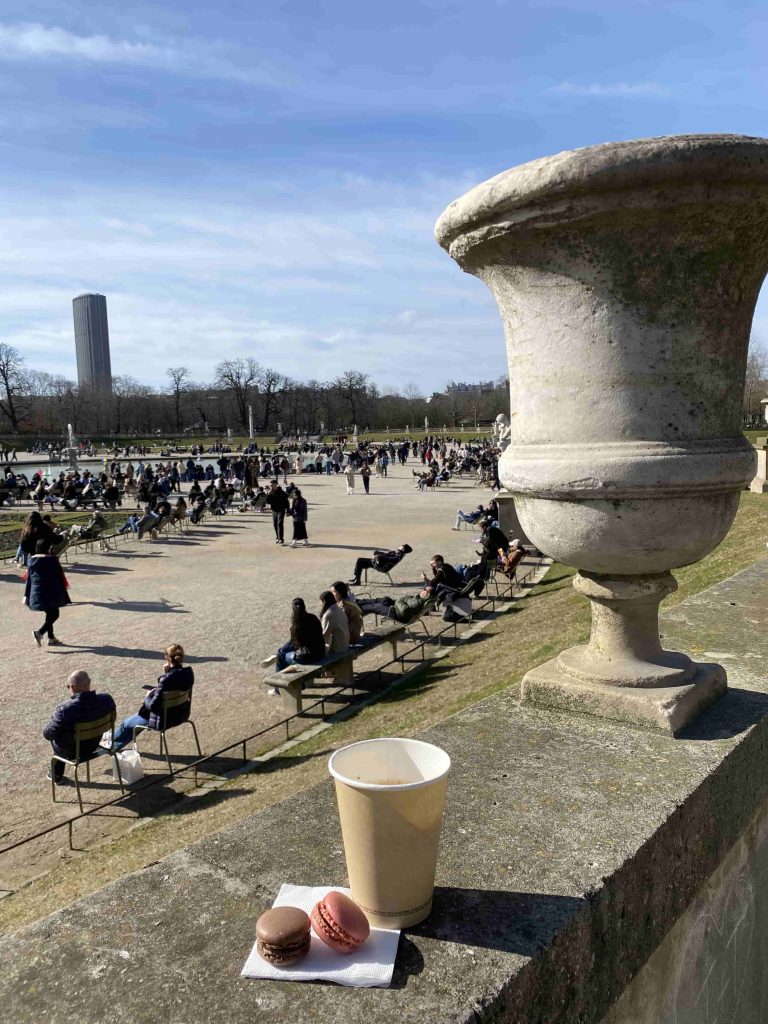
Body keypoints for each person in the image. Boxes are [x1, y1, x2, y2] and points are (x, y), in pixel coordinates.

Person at [112, 644, 194, 750]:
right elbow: (174, 684)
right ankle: (113, 745)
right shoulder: (188, 673)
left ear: (167, 657)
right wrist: (167, 673)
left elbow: (153, 706)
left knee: (126, 725)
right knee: (131, 725)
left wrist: (147, 697)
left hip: (163, 719)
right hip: (180, 715)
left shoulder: (166, 679)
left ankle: (111, 746)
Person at [43, 670, 116, 783]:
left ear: (72, 687)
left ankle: (56, 774)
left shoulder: (64, 710)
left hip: (73, 751)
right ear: (89, 682)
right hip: (95, 744)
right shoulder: (107, 699)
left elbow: (48, 734)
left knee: (57, 738)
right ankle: (55, 774)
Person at [260, 597, 325, 675]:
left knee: (281, 658)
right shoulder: (313, 618)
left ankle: (278, 685)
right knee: (292, 648)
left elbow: (294, 643)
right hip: (320, 652)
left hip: (308, 657)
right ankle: (279, 654)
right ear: (304, 606)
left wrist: (281, 651)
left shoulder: (297, 624)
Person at [25, 538, 71, 647]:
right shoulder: (52, 560)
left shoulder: (30, 561)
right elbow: (59, 576)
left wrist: (26, 595)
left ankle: (51, 638)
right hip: (51, 591)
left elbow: (29, 579)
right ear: (48, 548)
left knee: (49, 614)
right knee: (55, 614)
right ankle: (40, 632)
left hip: (37, 593)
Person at [320, 590, 350, 654]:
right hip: (345, 644)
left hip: (337, 648)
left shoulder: (329, 615)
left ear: (324, 602)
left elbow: (325, 635)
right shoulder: (339, 609)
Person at [264, 479, 290, 544]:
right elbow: (267, 502)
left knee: (280, 523)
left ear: (276, 485)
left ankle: (281, 539)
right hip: (274, 510)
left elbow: (286, 501)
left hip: (281, 509)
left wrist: (288, 510)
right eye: (270, 485)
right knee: (275, 524)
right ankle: (277, 537)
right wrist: (268, 494)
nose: (271, 486)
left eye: (272, 485)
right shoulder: (270, 492)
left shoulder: (281, 492)